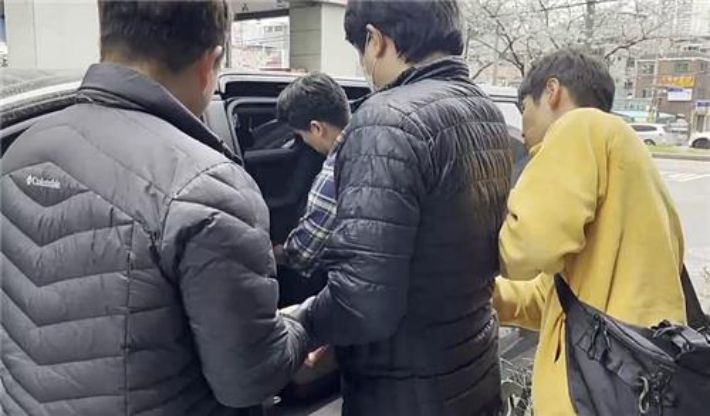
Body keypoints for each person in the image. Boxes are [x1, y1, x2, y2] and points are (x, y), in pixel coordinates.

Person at [0, 2, 308, 415]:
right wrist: (304, 323)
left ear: (105, 39)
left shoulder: (19, 153)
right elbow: (248, 379)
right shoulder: (208, 189)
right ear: (209, 63)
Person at [292, 1, 512, 414]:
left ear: (375, 40)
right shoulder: (487, 113)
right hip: (474, 367)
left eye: (361, 52)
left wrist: (302, 325)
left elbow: (363, 300)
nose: (365, 67)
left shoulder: (385, 120)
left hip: (403, 391)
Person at [494, 49, 686, 415]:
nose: (523, 125)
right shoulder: (626, 158)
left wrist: (466, 251)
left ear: (552, 92)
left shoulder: (579, 126)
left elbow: (527, 247)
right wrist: (487, 297)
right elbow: (552, 297)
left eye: (524, 108)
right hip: (632, 383)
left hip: (595, 388)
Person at [273, 72, 351, 277]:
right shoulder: (372, 140)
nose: (303, 143)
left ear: (316, 128)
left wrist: (277, 252)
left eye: (301, 136)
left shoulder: (335, 172)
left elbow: (301, 255)